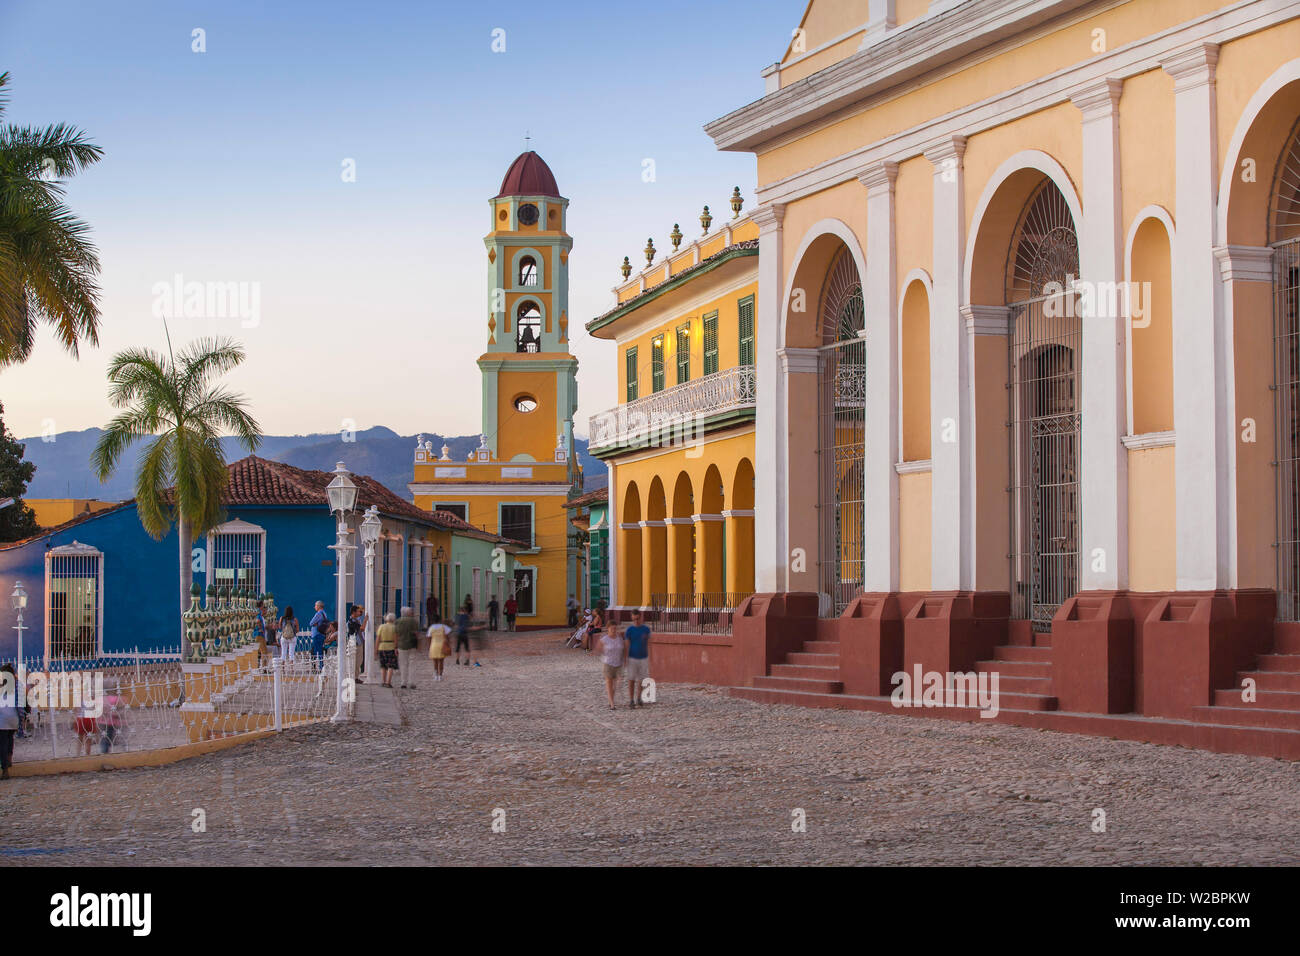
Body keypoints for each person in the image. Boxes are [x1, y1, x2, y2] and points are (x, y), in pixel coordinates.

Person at [623, 610, 653, 709]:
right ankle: (631, 699)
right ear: (632, 618)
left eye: (638, 618)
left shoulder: (646, 629)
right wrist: (625, 658)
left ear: (641, 617)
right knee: (631, 679)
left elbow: (649, 644)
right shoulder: (629, 630)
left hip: (643, 657)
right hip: (632, 657)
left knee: (641, 679)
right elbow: (627, 644)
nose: (636, 621)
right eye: (634, 619)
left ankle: (639, 697)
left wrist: (651, 657)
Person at [0, 663, 25, 779]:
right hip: (14, 718)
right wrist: (22, 718)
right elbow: (21, 703)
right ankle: (9, 760)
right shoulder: (17, 685)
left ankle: (5, 770)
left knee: (3, 744)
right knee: (10, 739)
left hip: (2, 719)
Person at [598, 622, 625, 711]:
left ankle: (611, 700)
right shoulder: (604, 639)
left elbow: (623, 649)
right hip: (608, 663)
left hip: (618, 664)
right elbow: (598, 648)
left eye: (615, 628)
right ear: (608, 628)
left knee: (616, 685)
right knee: (609, 683)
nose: (613, 630)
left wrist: (624, 660)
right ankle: (612, 703)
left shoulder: (619, 638)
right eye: (612, 628)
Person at [395, 606, 420, 689]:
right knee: (412, 664)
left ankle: (403, 682)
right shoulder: (414, 621)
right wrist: (418, 645)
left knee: (403, 664)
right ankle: (412, 682)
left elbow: (396, 635)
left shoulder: (398, 621)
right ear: (409, 613)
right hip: (412, 645)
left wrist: (395, 646)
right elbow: (417, 634)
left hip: (401, 645)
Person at [376, 612, 399, 688]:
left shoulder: (381, 627)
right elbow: (396, 639)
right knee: (390, 666)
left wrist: (375, 649)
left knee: (383, 666)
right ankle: (388, 682)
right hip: (391, 647)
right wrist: (396, 648)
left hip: (382, 647)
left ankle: (383, 681)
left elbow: (378, 639)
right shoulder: (394, 627)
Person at [308, 600, 329, 670]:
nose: (314, 607)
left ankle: (319, 667)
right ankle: (318, 666)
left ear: (319, 606)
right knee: (317, 651)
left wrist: (315, 624)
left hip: (317, 634)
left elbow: (311, 623)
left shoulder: (318, 614)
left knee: (316, 651)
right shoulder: (324, 614)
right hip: (322, 634)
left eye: (315, 605)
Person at [348, 605, 366, 682]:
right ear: (354, 612)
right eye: (358, 611)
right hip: (356, 642)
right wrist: (366, 620)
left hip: (359, 642)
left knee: (359, 660)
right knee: (357, 660)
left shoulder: (356, 620)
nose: (360, 613)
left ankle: (356, 676)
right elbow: (362, 628)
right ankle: (354, 677)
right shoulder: (352, 621)